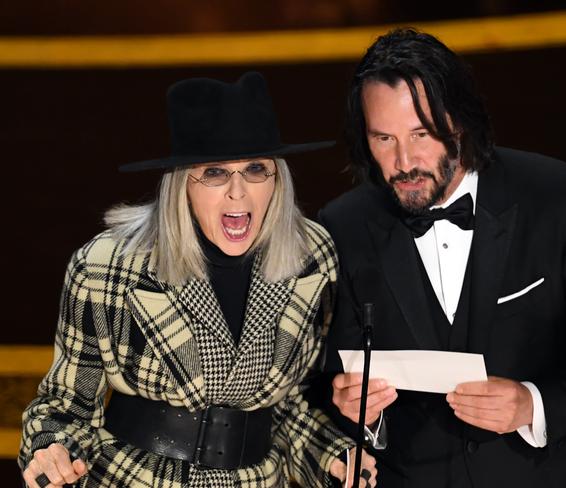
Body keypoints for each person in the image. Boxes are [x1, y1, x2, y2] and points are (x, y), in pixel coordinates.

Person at [317, 28, 566, 487]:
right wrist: (360, 413)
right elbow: (333, 379)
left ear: (462, 121)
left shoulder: (563, 198)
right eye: (383, 139)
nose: (404, 160)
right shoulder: (343, 225)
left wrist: (533, 404)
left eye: (421, 133)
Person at [18, 72, 377, 488]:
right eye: (214, 173)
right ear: (181, 184)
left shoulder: (312, 259)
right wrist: (53, 449)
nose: (238, 193)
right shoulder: (106, 265)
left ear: (278, 179)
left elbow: (288, 406)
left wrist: (332, 455)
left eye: (256, 169)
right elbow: (67, 407)